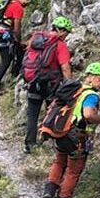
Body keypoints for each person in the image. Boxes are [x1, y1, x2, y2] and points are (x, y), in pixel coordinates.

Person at [41, 60, 100, 198]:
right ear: (90, 77)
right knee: (73, 170)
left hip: (61, 132)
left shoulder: (75, 90)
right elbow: (88, 114)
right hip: (76, 136)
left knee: (59, 161)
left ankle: (49, 190)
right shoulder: (91, 95)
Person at [22, 15, 74, 153]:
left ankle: (29, 144)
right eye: (66, 33)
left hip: (33, 81)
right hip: (50, 85)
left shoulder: (36, 38)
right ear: (62, 31)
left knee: (32, 114)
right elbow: (65, 67)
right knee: (52, 112)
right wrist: (69, 85)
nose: (66, 36)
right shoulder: (60, 45)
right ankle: (50, 142)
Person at [0, 0, 36, 93]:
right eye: (30, 2)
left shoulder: (13, 2)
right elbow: (17, 27)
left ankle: (14, 75)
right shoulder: (18, 7)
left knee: (16, 52)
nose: (28, 5)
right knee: (6, 60)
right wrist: (19, 41)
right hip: (3, 34)